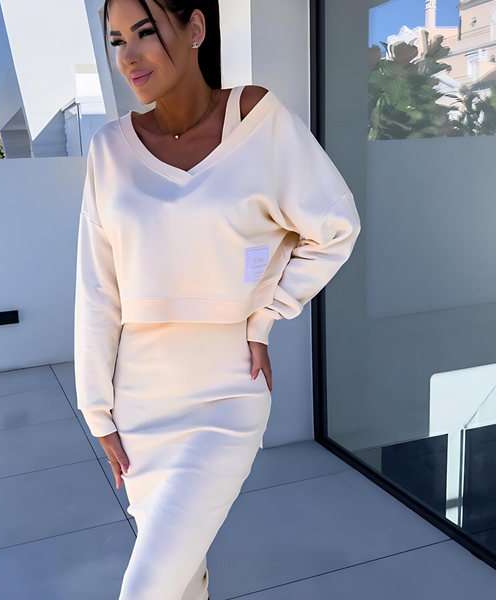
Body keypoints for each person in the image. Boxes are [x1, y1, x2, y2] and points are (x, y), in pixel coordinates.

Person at [74, 0, 362, 598]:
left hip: (228, 391)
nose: (129, 56)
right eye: (117, 40)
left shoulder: (258, 121)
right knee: (180, 574)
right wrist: (97, 409)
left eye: (145, 32)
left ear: (196, 28)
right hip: (138, 397)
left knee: (147, 586)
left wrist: (264, 315)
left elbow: (334, 228)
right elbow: (99, 289)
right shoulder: (109, 150)